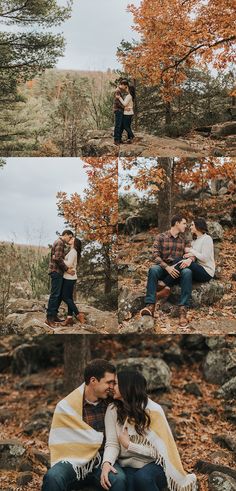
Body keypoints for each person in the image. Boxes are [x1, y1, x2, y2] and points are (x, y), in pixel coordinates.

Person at [101, 370, 197, 491]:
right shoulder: (112, 410)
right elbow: (112, 443)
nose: (111, 387)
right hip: (128, 466)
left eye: (115, 383)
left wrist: (129, 445)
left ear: (127, 387)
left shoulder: (153, 411)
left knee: (143, 478)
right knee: (130, 486)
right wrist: (106, 463)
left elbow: (159, 453)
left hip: (154, 464)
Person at [41, 359, 127, 491]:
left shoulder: (113, 403)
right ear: (93, 381)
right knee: (53, 477)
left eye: (113, 383)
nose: (112, 387)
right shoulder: (66, 406)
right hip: (73, 460)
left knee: (118, 480)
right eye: (109, 382)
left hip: (102, 460)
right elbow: (60, 442)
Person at [140, 214, 192, 326]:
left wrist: (188, 259)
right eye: (184, 223)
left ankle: (183, 310)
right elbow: (154, 255)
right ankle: (150, 305)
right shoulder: (161, 237)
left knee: (188, 272)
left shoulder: (184, 240)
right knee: (153, 269)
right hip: (164, 268)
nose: (185, 226)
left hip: (178, 270)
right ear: (176, 223)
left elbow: (189, 255)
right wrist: (167, 267)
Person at [162, 218, 215, 297]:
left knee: (184, 263)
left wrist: (191, 251)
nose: (190, 227)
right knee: (178, 259)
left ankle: (164, 283)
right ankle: (167, 287)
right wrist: (187, 255)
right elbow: (193, 256)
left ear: (198, 226)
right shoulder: (194, 241)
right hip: (196, 268)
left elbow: (204, 258)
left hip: (206, 272)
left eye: (192, 225)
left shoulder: (207, 239)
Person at [45, 230, 75, 328]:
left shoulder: (60, 243)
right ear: (65, 235)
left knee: (58, 295)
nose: (70, 239)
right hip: (56, 272)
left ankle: (53, 315)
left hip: (58, 272)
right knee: (55, 295)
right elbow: (57, 258)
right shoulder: (59, 242)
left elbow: (57, 257)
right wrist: (67, 269)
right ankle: (49, 318)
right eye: (70, 237)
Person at [61, 236, 85, 326]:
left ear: (75, 243)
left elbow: (69, 264)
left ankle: (78, 314)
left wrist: (60, 260)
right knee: (69, 298)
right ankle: (69, 318)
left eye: (72, 239)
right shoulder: (73, 252)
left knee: (65, 297)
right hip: (70, 277)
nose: (70, 239)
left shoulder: (73, 252)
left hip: (69, 278)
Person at [113, 81, 126, 146]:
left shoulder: (119, 91)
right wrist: (124, 107)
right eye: (125, 86)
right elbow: (117, 102)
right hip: (118, 110)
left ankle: (119, 139)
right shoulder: (117, 91)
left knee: (121, 125)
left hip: (120, 110)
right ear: (122, 85)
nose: (125, 88)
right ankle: (116, 140)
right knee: (118, 125)